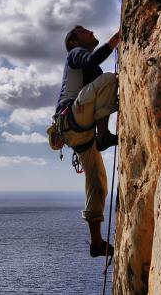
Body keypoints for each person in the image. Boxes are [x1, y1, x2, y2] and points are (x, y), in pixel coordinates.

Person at [55, 25, 120, 257]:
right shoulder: (75, 54)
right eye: (84, 31)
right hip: (72, 116)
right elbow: (95, 59)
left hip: (76, 132)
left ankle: (96, 243)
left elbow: (94, 65)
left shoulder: (89, 69)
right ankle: (102, 136)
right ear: (74, 42)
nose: (90, 31)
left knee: (98, 184)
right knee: (110, 79)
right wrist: (118, 37)